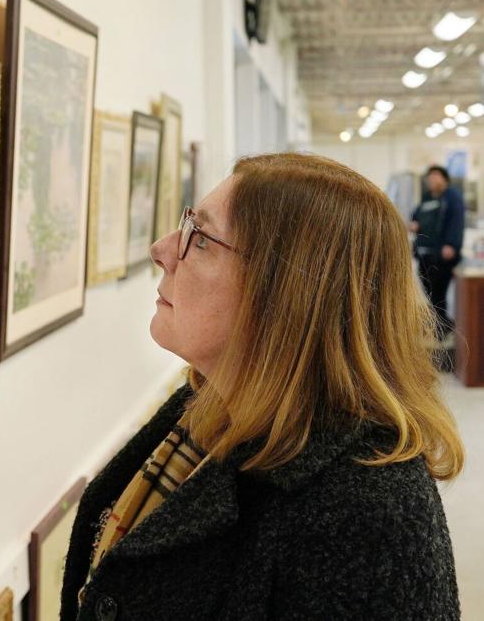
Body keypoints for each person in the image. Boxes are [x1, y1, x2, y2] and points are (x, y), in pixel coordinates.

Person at [61, 153, 463, 621]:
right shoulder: (204, 408)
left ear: (286, 295)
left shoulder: (371, 511)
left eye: (201, 240)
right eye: (188, 225)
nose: (162, 249)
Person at [409, 165, 465, 369]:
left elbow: (457, 222)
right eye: (429, 177)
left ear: (444, 179)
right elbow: (415, 218)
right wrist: (414, 224)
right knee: (429, 293)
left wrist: (451, 244)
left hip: (442, 255)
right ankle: (441, 328)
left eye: (435, 176)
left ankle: (443, 332)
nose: (431, 180)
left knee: (438, 294)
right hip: (424, 254)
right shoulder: (426, 199)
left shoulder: (452, 198)